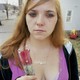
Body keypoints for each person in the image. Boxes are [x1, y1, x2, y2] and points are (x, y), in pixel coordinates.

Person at [0, 0, 79, 80]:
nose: (40, 22)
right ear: (25, 17)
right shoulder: (6, 54)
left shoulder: (67, 48)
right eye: (33, 14)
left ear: (57, 19)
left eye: (49, 15)